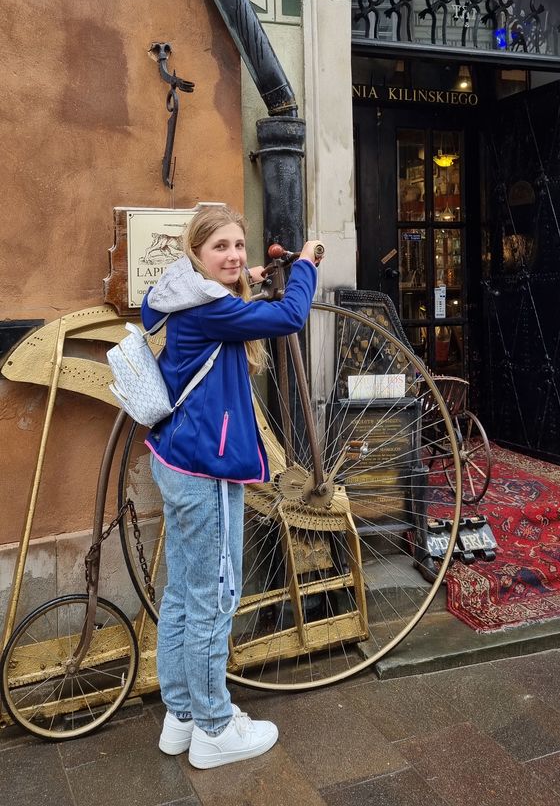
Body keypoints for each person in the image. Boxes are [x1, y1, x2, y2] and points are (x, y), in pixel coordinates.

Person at [141, 204, 319, 769]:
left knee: (182, 594)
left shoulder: (176, 293)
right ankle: (215, 728)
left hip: (176, 458)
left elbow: (226, 304)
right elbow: (290, 316)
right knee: (215, 597)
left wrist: (248, 276)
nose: (235, 256)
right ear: (195, 252)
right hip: (207, 470)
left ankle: (182, 716)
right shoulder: (211, 310)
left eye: (240, 246)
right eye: (220, 247)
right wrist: (306, 265)